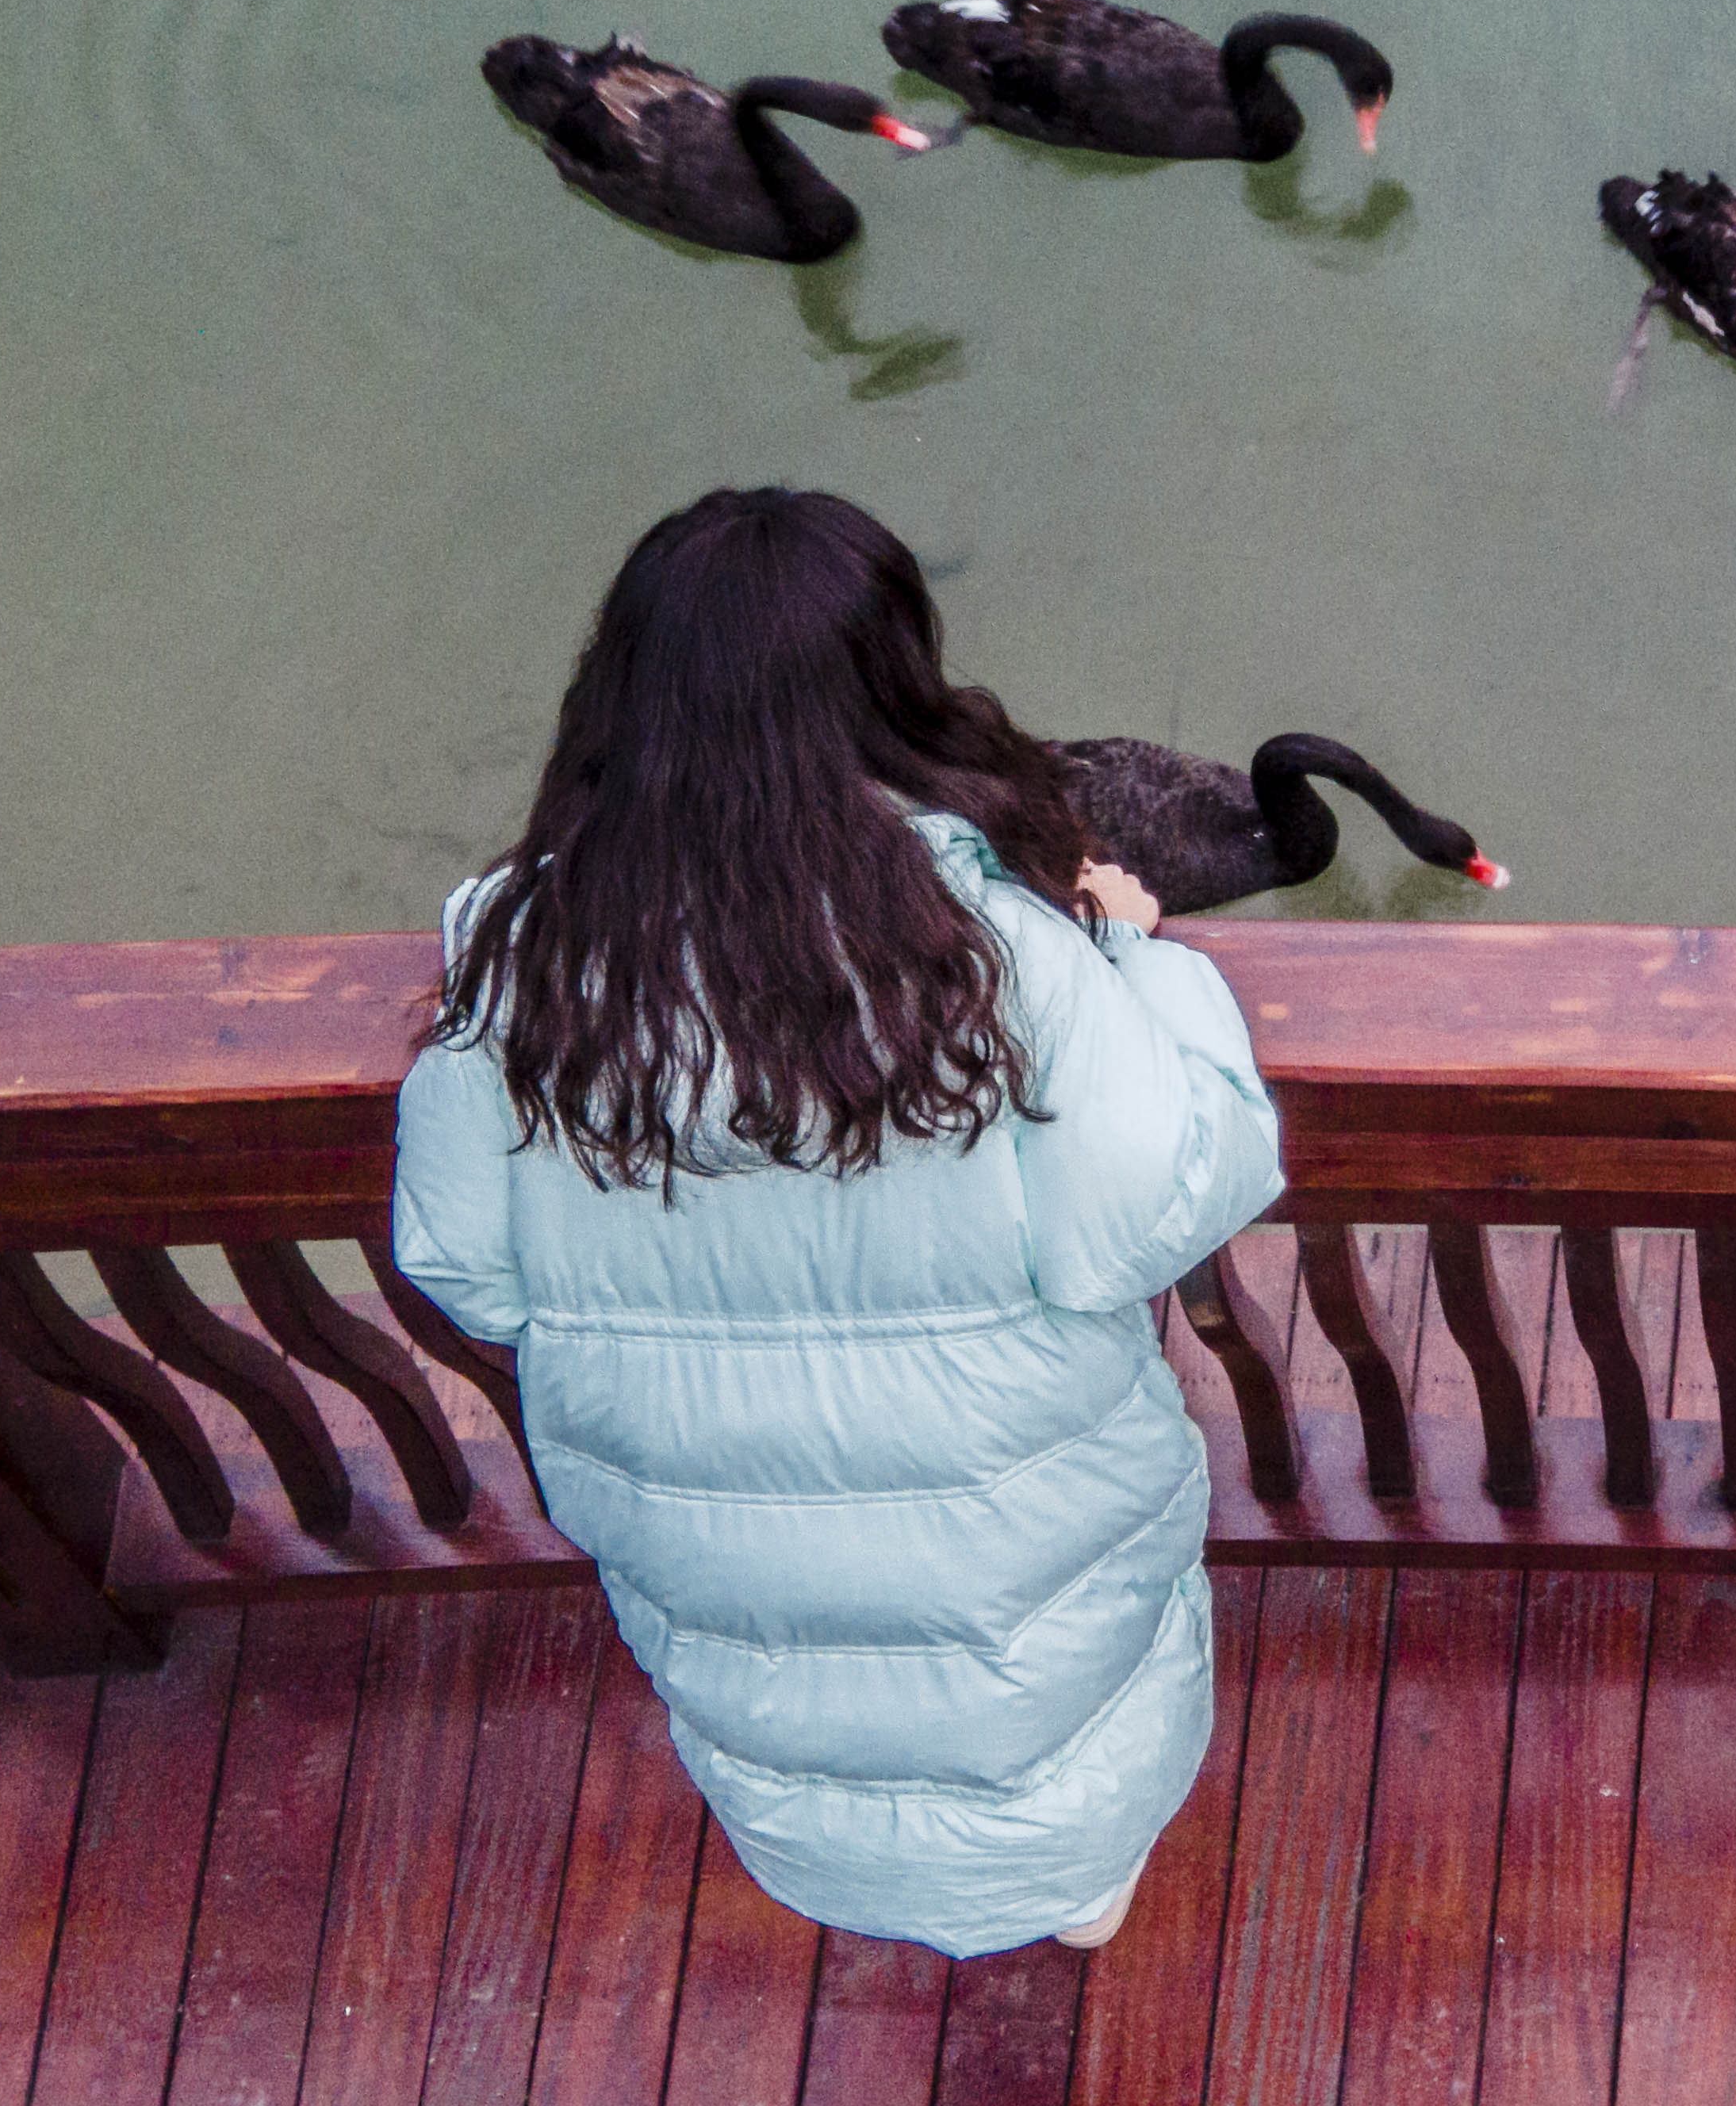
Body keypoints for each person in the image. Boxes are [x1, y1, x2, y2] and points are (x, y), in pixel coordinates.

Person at [389, 487, 1284, 1955]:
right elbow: (1152, 1208)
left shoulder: (519, 969)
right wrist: (1138, 960)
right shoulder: (997, 954)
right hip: (1025, 1568)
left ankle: (981, 1884)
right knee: (1041, 1713)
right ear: (893, 687)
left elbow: (465, 1271)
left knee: (804, 1689)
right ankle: (1072, 1894)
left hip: (758, 1714)